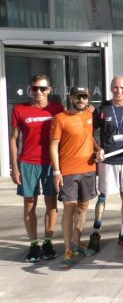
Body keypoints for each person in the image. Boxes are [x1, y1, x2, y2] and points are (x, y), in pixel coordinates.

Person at [10, 74, 63, 262]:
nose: (38, 92)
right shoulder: (20, 110)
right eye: (34, 88)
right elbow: (14, 139)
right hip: (27, 163)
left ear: (49, 90)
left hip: (51, 164)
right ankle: (34, 244)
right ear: (30, 89)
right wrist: (14, 167)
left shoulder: (57, 109)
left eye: (42, 88)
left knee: (51, 203)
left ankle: (48, 241)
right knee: (29, 204)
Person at [89, 76, 123, 252]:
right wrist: (98, 149)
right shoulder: (102, 109)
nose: (118, 91)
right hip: (108, 160)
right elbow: (89, 133)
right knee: (103, 196)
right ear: (111, 89)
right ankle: (95, 233)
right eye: (115, 87)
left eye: (122, 88)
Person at [49, 86, 98, 268]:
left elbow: (89, 137)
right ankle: (68, 250)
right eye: (78, 97)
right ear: (71, 98)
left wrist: (98, 150)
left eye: (84, 97)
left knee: (84, 207)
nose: (81, 100)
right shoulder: (60, 118)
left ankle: (77, 244)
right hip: (68, 171)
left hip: (88, 169)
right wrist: (56, 172)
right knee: (69, 209)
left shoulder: (89, 115)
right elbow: (53, 146)